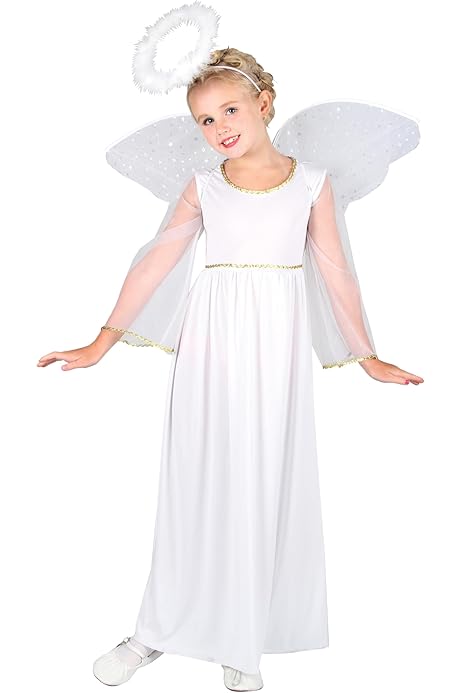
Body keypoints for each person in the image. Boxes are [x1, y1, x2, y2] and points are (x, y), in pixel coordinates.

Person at [37, 42, 424, 692]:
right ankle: (156, 629)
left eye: (230, 110)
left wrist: (367, 355)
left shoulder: (312, 182)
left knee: (261, 479)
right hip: (211, 341)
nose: (219, 128)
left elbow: (336, 272)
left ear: (264, 104)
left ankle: (243, 637)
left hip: (277, 346)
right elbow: (155, 262)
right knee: (193, 478)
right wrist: (101, 342)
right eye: (205, 120)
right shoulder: (204, 186)